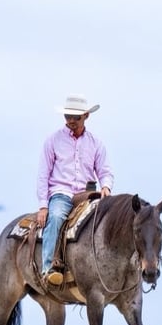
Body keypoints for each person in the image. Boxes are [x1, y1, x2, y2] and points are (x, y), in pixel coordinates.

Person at [37, 94, 114, 285]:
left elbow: (105, 171)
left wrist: (105, 186)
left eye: (75, 117)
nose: (71, 120)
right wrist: (43, 206)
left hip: (88, 195)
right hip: (61, 193)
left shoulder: (96, 143)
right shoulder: (53, 141)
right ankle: (48, 268)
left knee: (107, 222)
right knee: (55, 218)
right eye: (67, 116)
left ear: (86, 116)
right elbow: (43, 174)